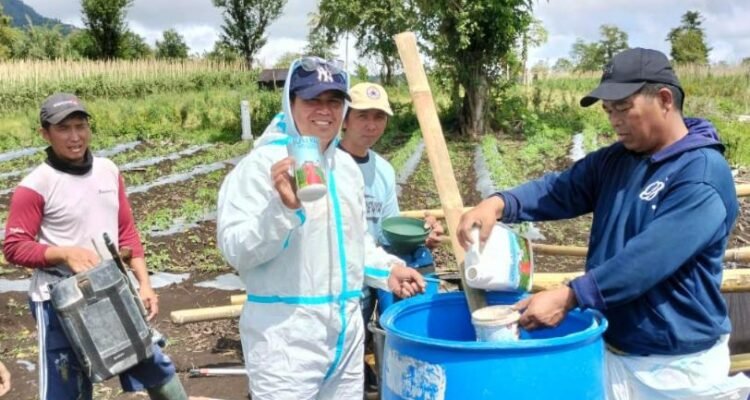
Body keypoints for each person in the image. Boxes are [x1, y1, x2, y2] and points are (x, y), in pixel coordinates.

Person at [457, 48, 750, 399]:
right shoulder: (616, 160)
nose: (614, 120)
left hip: (676, 367)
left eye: (623, 108)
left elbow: (647, 260)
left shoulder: (700, 173)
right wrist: (500, 203)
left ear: (664, 99)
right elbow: (559, 189)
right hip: (612, 348)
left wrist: (571, 296)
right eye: (608, 110)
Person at [216, 57, 425, 400]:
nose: (325, 110)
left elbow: (355, 244)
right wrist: (282, 210)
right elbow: (236, 250)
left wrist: (388, 271)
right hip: (286, 338)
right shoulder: (260, 168)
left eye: (334, 101)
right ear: (291, 103)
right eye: (312, 100)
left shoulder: (345, 168)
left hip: (346, 334)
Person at [2, 93, 187, 400]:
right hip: (59, 298)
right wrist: (64, 253)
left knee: (154, 364)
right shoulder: (35, 185)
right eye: (63, 129)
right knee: (67, 385)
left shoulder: (108, 171)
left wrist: (144, 283)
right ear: (45, 134)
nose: (75, 137)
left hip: (112, 289)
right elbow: (14, 247)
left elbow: (126, 232)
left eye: (80, 126)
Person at [339, 82, 445, 394]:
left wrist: (421, 235)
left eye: (379, 117)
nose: (371, 125)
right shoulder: (328, 163)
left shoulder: (383, 170)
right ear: (345, 119)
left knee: (377, 333)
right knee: (345, 341)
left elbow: (389, 228)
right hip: (344, 273)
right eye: (362, 116)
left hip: (378, 265)